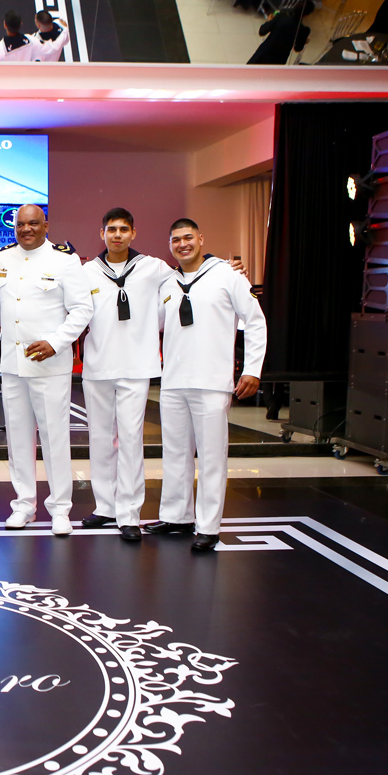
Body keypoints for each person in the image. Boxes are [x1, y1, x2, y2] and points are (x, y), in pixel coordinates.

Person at [145, 219, 266, 552]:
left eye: (188, 238)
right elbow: (153, 324)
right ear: (169, 245)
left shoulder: (227, 275)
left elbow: (255, 321)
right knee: (175, 453)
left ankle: (209, 526)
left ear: (201, 238)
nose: (182, 244)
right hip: (173, 381)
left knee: (212, 457)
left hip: (212, 381)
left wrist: (252, 369)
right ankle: (176, 517)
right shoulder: (168, 283)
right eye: (175, 240)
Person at [0, 204, 93, 535]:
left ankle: (60, 508)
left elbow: (82, 309)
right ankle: (24, 505)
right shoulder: (2, 260)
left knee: (55, 438)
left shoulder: (65, 261)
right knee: (18, 439)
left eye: (33, 223)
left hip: (49, 363)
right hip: (13, 364)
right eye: (20, 224)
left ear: (46, 225)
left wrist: (55, 342)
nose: (26, 229)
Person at [79, 208, 173, 542]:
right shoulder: (87, 271)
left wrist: (227, 269)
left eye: (123, 229)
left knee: (131, 440)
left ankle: (129, 513)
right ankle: (105, 506)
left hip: (136, 366)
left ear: (133, 233)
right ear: (101, 233)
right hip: (98, 366)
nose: (117, 235)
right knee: (100, 439)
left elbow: (185, 285)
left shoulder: (154, 267)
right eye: (111, 229)